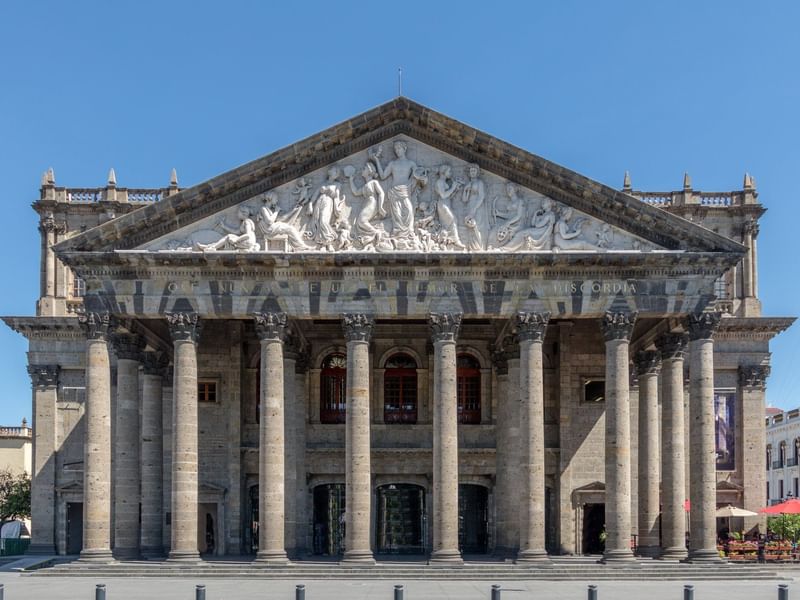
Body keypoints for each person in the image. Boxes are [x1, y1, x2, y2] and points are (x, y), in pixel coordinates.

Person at [370, 140, 426, 249]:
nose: (397, 151)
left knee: (409, 212)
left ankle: (408, 236)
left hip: (406, 191)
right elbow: (382, 176)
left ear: (404, 149)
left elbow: (418, 174)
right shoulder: (392, 164)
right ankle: (398, 237)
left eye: (399, 148)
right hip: (394, 192)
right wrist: (376, 160)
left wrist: (423, 177)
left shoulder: (411, 163)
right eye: (396, 149)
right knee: (397, 216)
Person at [347, 163, 387, 249]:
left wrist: (380, 207)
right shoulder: (365, 186)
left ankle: (376, 232)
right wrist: (351, 181)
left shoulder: (374, 182)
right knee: (359, 222)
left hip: (372, 203)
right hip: (366, 203)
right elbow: (356, 192)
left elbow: (381, 193)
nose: (362, 170)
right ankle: (371, 235)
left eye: (364, 168)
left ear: (369, 171)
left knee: (361, 221)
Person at [433, 164, 466, 250]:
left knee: (452, 221)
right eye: (449, 171)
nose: (451, 173)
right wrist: (453, 187)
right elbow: (443, 195)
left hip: (447, 204)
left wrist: (456, 189)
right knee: (453, 219)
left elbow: (449, 196)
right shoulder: (439, 182)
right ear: (443, 172)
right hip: (442, 205)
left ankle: (448, 240)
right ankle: (455, 241)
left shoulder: (444, 182)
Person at [461, 164, 487, 251]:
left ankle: (479, 247)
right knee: (470, 226)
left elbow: (481, 196)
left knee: (477, 226)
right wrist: (466, 190)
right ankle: (472, 247)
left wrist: (474, 209)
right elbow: (464, 199)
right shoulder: (468, 184)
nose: (472, 173)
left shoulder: (480, 183)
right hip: (469, 205)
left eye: (474, 171)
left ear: (477, 173)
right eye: (471, 171)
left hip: (478, 207)